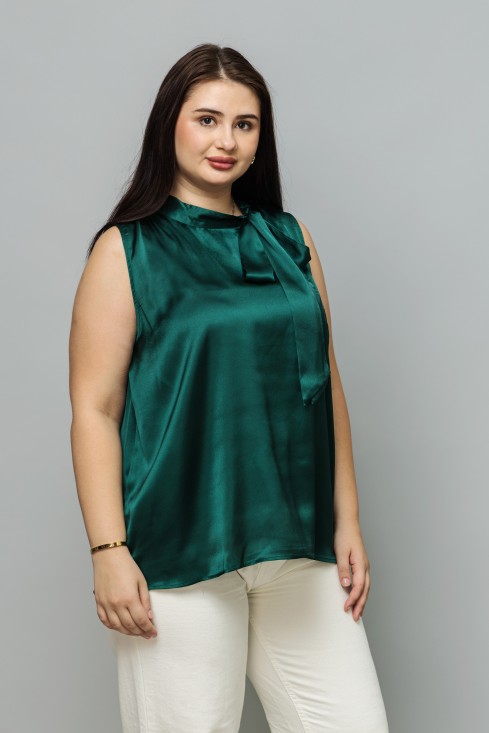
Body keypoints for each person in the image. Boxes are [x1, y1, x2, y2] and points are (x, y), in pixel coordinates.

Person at [69, 42, 389, 733]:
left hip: (296, 539)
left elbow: (326, 383)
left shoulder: (291, 239)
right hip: (180, 545)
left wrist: (348, 520)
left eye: (245, 124)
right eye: (207, 119)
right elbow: (94, 410)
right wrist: (108, 551)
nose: (227, 141)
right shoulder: (127, 249)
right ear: (170, 123)